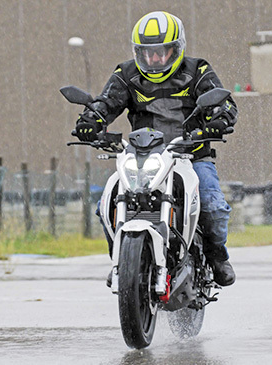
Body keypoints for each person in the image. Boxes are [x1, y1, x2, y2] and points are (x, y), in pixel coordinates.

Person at [74, 11, 236, 286]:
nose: (154, 59)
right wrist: (90, 121)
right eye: (146, 53)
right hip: (142, 155)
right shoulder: (126, 74)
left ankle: (216, 255)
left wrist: (218, 120)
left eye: (162, 52)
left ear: (177, 48)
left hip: (191, 154)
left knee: (213, 205)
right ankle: (122, 260)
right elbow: (106, 103)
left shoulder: (198, 70)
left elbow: (226, 105)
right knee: (106, 206)